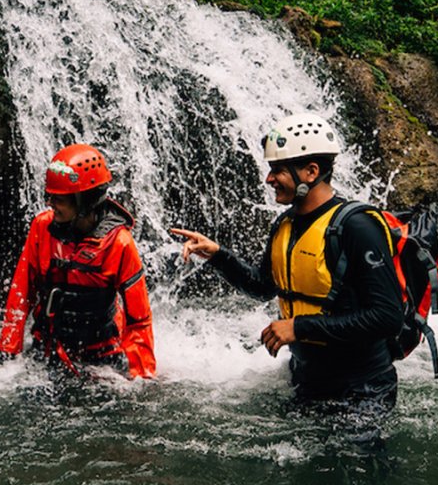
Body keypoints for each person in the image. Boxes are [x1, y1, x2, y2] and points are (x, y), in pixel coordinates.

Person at [171, 113, 403, 418]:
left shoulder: (357, 227)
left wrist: (299, 327)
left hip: (362, 391)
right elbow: (263, 287)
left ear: (311, 171)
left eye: (277, 170)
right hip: (306, 383)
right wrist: (218, 255)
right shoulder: (285, 225)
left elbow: (387, 317)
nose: (268, 180)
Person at [0, 144, 156, 379]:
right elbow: (21, 293)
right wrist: (8, 351)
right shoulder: (42, 226)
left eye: (59, 199)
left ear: (86, 201)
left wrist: (142, 379)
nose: (51, 203)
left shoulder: (119, 243)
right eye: (48, 196)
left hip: (102, 360)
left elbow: (139, 320)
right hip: (48, 350)